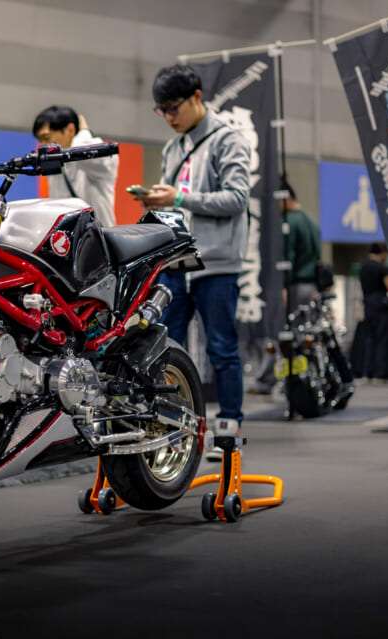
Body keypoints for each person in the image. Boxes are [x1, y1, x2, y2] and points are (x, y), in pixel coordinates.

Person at [139, 64, 251, 426]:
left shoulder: (226, 140)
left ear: (196, 97)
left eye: (174, 108)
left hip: (217, 262)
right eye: (162, 111)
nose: (169, 117)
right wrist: (158, 199)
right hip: (177, 261)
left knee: (221, 347)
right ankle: (174, 420)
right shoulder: (174, 147)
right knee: (167, 345)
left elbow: (236, 198)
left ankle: (229, 423)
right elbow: (176, 198)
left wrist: (180, 198)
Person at [32, 106, 119, 227]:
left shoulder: (101, 153)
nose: (43, 145)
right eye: (40, 140)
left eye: (46, 138)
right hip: (69, 240)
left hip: (100, 239)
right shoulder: (56, 161)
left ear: (70, 130)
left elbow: (84, 153)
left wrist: (84, 132)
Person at [358, 243, 388, 382]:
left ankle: (367, 372)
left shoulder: (363, 267)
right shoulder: (382, 269)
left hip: (368, 305)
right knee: (383, 340)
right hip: (382, 307)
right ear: (382, 253)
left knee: (370, 340)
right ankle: (380, 373)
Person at [282, 178, 322, 311]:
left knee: (294, 327)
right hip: (312, 285)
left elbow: (288, 255)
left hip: (296, 286)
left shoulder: (290, 222)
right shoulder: (311, 221)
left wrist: (283, 284)